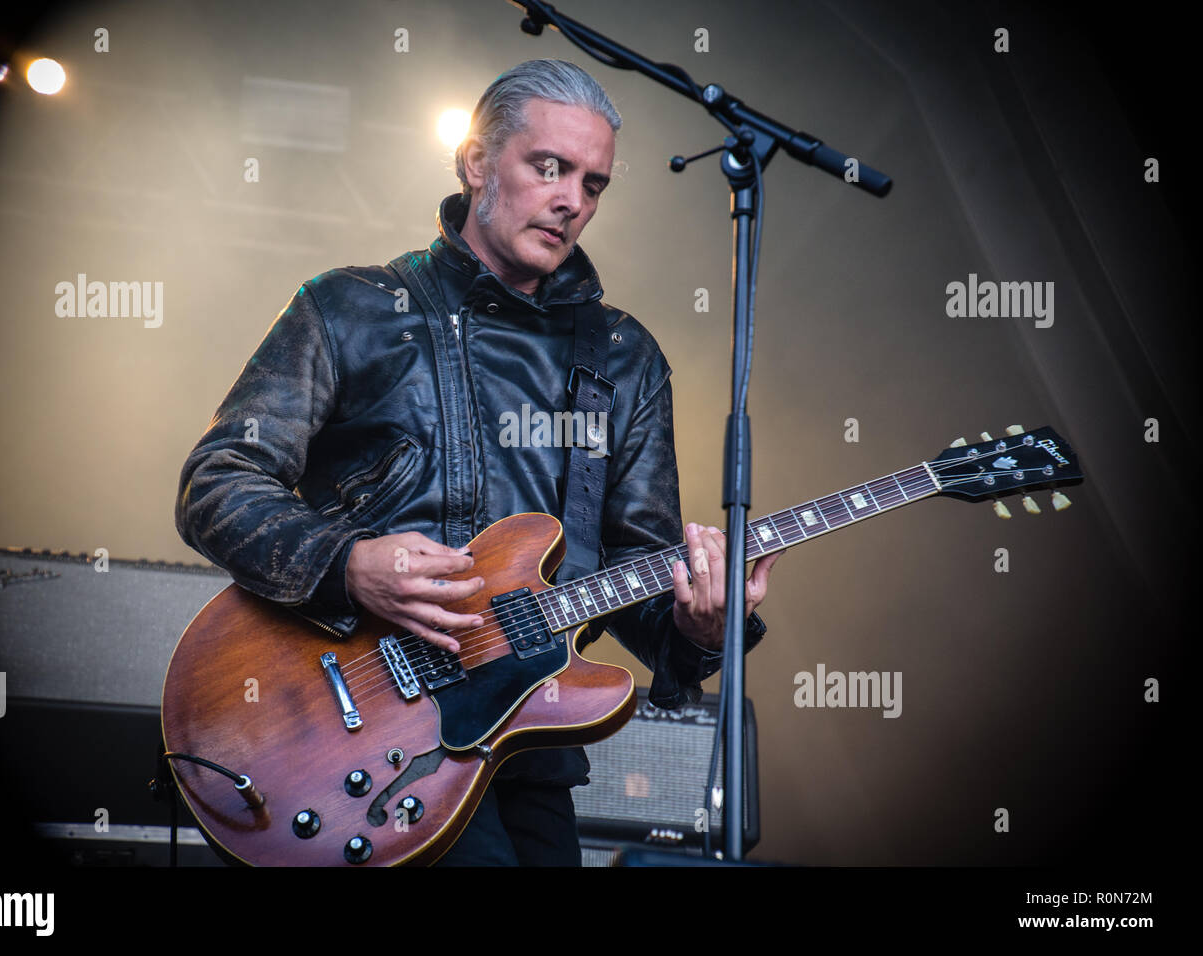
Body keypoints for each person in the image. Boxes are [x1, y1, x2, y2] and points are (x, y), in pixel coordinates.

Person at [175, 58, 780, 866]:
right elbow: (217, 482)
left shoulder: (623, 359)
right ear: (476, 162)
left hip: (527, 751)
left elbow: (637, 567)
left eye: (594, 184)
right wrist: (349, 564)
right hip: (344, 731)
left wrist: (701, 626)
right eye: (548, 167)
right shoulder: (350, 307)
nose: (572, 200)